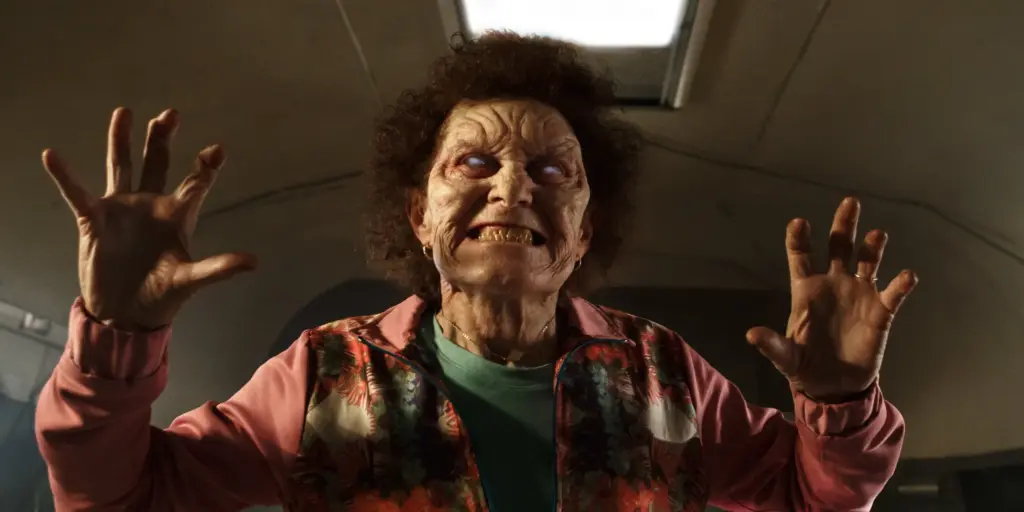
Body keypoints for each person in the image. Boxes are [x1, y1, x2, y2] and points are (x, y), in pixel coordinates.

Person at [35, 32, 918, 512]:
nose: (512, 187)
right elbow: (117, 498)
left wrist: (842, 404)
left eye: (551, 170)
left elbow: (815, 497)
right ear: (420, 217)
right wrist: (116, 344)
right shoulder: (321, 374)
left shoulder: (666, 372)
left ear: (583, 233)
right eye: (474, 163)